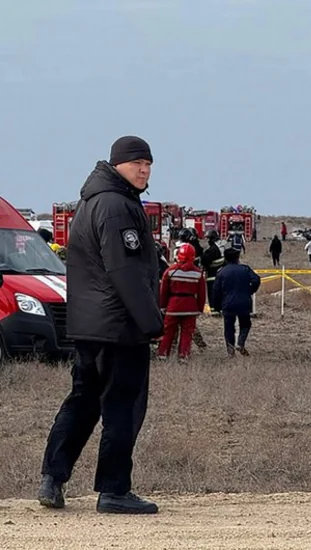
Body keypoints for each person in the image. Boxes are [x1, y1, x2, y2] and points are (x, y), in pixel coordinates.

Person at [38, 136, 162, 514]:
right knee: (123, 406)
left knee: (82, 401)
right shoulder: (117, 206)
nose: (144, 170)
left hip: (89, 325)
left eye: (149, 164)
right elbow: (124, 270)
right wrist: (151, 322)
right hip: (120, 327)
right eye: (137, 163)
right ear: (118, 164)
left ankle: (52, 478)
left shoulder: (91, 202)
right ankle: (114, 490)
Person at [157, 243, 207, 361]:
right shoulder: (198, 273)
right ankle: (183, 356)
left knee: (168, 332)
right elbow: (201, 294)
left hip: (173, 306)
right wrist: (199, 309)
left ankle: (162, 354)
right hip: (190, 307)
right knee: (187, 333)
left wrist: (163, 306)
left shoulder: (170, 271)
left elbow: (163, 291)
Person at [212, 247, 261, 357]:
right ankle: (241, 342)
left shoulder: (221, 272)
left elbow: (216, 291)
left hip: (227, 304)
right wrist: (250, 290)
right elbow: (256, 280)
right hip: (244, 302)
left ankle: (230, 351)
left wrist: (216, 306)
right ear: (237, 257)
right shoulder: (245, 269)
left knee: (229, 327)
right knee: (245, 324)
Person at [201, 229, 224, 313]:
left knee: (212, 293)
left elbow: (205, 260)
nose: (207, 240)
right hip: (222, 274)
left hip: (213, 275)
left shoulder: (212, 249)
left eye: (208, 238)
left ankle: (214, 310)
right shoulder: (221, 246)